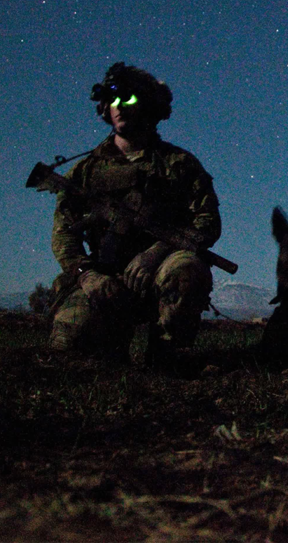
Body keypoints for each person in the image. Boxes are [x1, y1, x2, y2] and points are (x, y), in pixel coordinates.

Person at [47, 62, 221, 367]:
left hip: (161, 272)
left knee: (187, 270)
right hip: (105, 276)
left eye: (128, 99)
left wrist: (155, 254)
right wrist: (86, 275)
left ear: (148, 104)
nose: (119, 108)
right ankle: (110, 347)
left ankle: (168, 355)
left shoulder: (178, 164)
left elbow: (207, 223)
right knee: (72, 351)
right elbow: (64, 233)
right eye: (112, 101)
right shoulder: (86, 171)